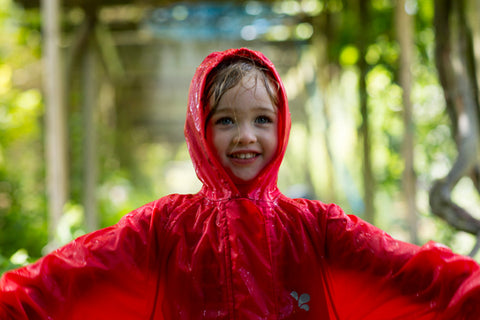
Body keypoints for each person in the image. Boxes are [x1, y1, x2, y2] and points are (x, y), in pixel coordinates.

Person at [0, 48, 479, 319]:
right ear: (199, 129)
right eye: (226, 119)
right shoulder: (162, 229)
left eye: (262, 119)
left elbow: (415, 274)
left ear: (282, 126)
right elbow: (64, 281)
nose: (245, 136)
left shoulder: (319, 228)